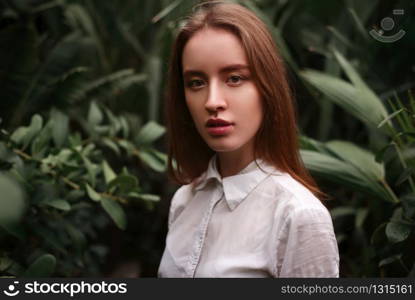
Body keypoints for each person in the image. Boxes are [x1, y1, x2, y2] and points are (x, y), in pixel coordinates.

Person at [158, 1, 339, 278]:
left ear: (267, 87)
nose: (212, 102)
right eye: (196, 82)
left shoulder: (298, 216)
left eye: (234, 78)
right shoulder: (185, 200)